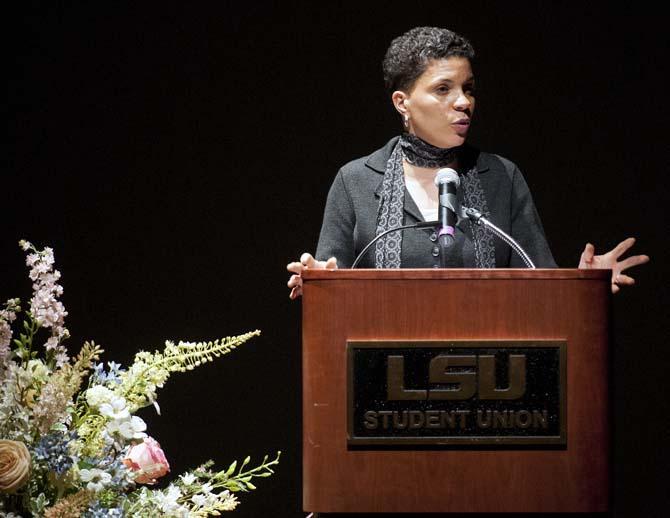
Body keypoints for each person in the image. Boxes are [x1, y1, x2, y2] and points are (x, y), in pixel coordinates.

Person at [287, 27, 648, 299]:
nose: (464, 102)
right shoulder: (355, 181)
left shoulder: (501, 177)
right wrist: (320, 282)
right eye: (444, 89)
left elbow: (539, 283)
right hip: (384, 380)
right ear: (402, 102)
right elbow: (331, 285)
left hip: (488, 378)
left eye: (469, 88)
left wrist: (582, 284)